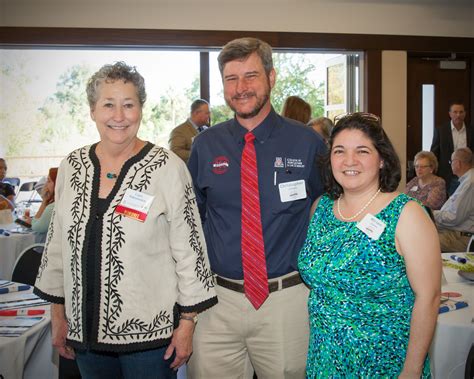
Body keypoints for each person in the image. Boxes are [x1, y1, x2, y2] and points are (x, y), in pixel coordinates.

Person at [34, 62, 217, 378]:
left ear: (141, 110)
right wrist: (58, 314)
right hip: (85, 338)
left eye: (128, 105)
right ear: (93, 110)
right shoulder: (72, 166)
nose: (118, 116)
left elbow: (190, 252)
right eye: (108, 104)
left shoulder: (167, 168)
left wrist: (188, 324)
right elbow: (57, 248)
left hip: (150, 342)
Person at [187, 37, 326, 378]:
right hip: (217, 304)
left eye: (250, 76)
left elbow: (328, 212)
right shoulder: (205, 146)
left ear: (272, 77)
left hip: (285, 302)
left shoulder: (308, 143)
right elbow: (192, 222)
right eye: (231, 79)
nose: (241, 87)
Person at [298, 113, 441, 378]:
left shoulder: (407, 214)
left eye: (362, 151)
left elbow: (429, 297)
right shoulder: (321, 209)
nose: (349, 161)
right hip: (324, 360)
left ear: (382, 159)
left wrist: (411, 369)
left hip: (385, 363)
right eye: (339, 151)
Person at [434, 147, 474, 251]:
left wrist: (431, 213)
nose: (450, 164)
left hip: (461, 237)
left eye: (451, 161)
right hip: (454, 231)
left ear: (457, 163)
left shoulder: (470, 183)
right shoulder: (467, 181)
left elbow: (453, 218)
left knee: (420, 241)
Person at [431, 101, 473, 195]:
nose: (458, 115)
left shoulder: (471, 131)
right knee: (451, 204)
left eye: (461, 112)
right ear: (450, 114)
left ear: (465, 113)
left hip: (468, 176)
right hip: (448, 176)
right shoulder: (441, 130)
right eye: (455, 112)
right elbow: (434, 154)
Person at [168, 99, 210, 163]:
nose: (209, 116)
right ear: (196, 113)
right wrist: (200, 154)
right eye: (207, 113)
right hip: (189, 172)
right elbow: (175, 152)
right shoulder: (179, 131)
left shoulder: (207, 130)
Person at [23, 167, 58, 235]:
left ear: (57, 183)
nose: (45, 185)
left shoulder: (53, 207)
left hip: (44, 245)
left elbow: (37, 228)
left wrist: (44, 201)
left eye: (49, 181)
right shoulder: (63, 202)